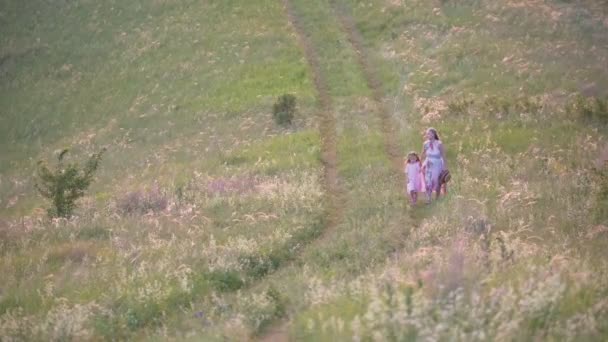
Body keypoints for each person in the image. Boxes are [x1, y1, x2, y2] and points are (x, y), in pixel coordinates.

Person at [421, 127, 447, 203]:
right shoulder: (425, 144)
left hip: (437, 164)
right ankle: (428, 198)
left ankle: (437, 198)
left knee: (436, 180)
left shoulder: (439, 144)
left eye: (429, 133)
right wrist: (420, 164)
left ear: (434, 134)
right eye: (427, 134)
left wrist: (445, 167)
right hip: (428, 163)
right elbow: (422, 154)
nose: (428, 135)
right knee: (427, 180)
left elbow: (443, 156)